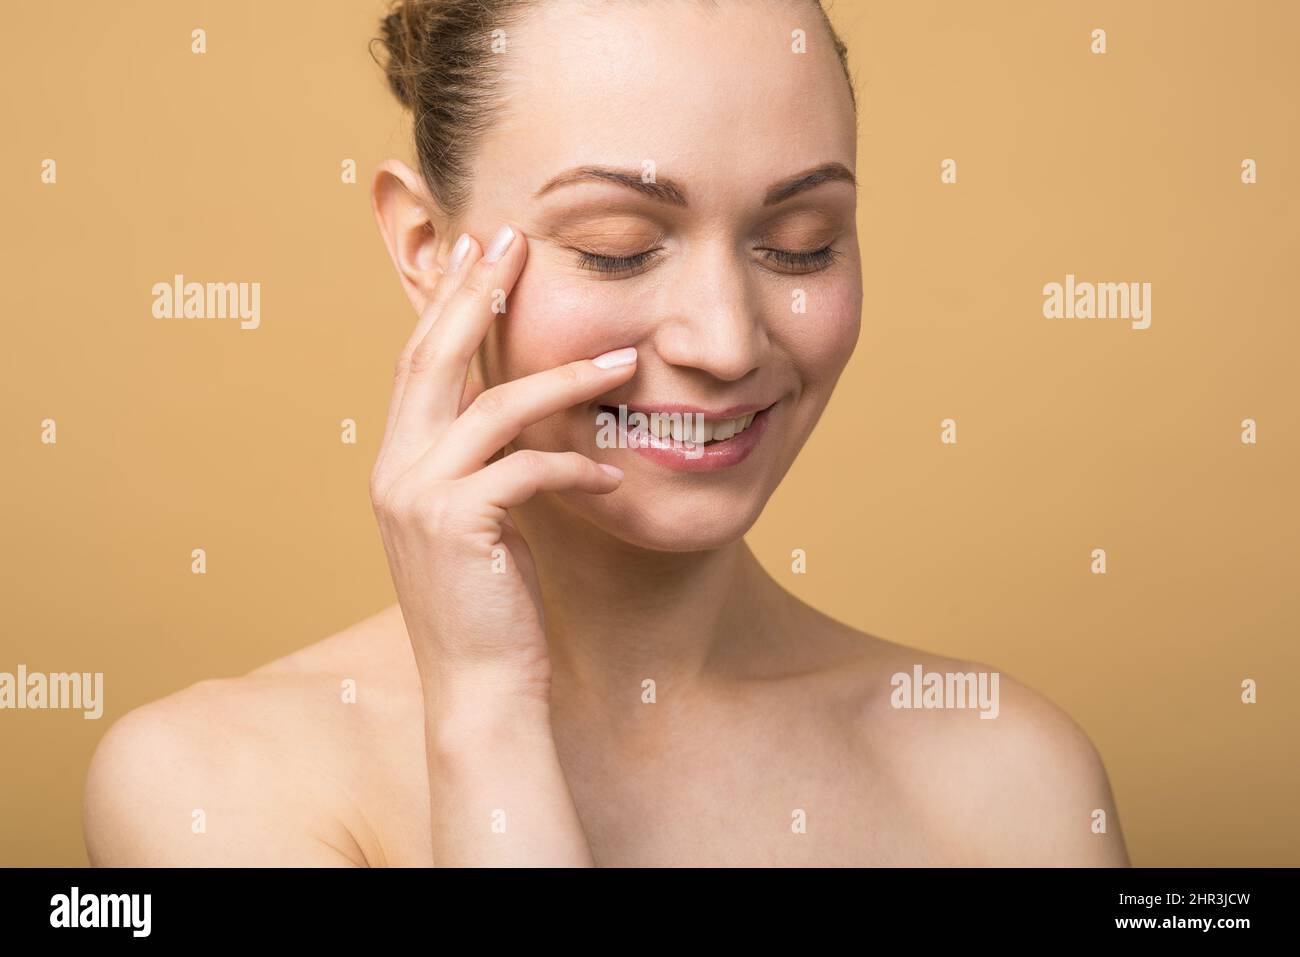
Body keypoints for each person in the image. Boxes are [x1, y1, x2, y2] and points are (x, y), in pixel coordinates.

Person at [83, 0, 1129, 867]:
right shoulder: (210, 785)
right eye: (617, 247)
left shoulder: (1010, 777)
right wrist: (486, 714)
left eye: (801, 245)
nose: (725, 343)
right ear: (425, 249)